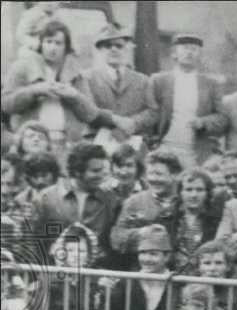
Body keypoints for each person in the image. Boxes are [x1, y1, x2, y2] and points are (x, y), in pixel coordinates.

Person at [1, 19, 98, 153]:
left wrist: (74, 96)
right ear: (41, 44)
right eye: (48, 42)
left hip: (66, 144)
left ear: (66, 47)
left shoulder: (76, 72)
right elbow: (6, 104)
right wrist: (34, 91)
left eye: (58, 43)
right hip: (31, 143)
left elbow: (91, 114)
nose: (52, 48)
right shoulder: (22, 67)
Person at [147, 34, 228, 167]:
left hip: (196, 152)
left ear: (200, 56)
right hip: (164, 147)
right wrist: (153, 144)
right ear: (174, 53)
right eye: (185, 48)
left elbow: (223, 118)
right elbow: (150, 113)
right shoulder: (158, 81)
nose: (189, 52)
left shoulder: (211, 84)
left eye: (194, 49)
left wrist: (203, 122)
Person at [32, 142, 120, 264]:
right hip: (55, 276)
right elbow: (34, 242)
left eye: (102, 170)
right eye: (95, 171)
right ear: (78, 172)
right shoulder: (46, 199)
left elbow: (112, 246)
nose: (101, 175)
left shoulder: (110, 199)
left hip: (96, 277)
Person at [85, 24, 156, 146]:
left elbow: (152, 111)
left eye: (119, 46)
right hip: (96, 142)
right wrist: (115, 123)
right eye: (108, 46)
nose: (114, 49)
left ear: (127, 49)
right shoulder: (88, 78)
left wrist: (134, 123)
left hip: (132, 143)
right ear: (100, 50)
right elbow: (87, 110)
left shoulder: (143, 80)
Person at [110, 149, 183, 265]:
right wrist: (141, 233)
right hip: (143, 268)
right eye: (150, 174)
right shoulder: (134, 202)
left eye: (159, 174)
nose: (153, 179)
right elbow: (116, 239)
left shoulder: (185, 199)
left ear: (174, 174)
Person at [93, 224, 172, 310]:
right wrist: (106, 294)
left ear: (167, 256)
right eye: (142, 253)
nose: (146, 259)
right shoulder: (126, 284)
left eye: (153, 254)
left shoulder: (176, 285)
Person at [171, 168, 222, 273]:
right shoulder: (167, 217)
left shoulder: (217, 219)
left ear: (207, 193)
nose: (194, 195)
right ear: (180, 192)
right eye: (188, 190)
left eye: (199, 190)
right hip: (174, 278)